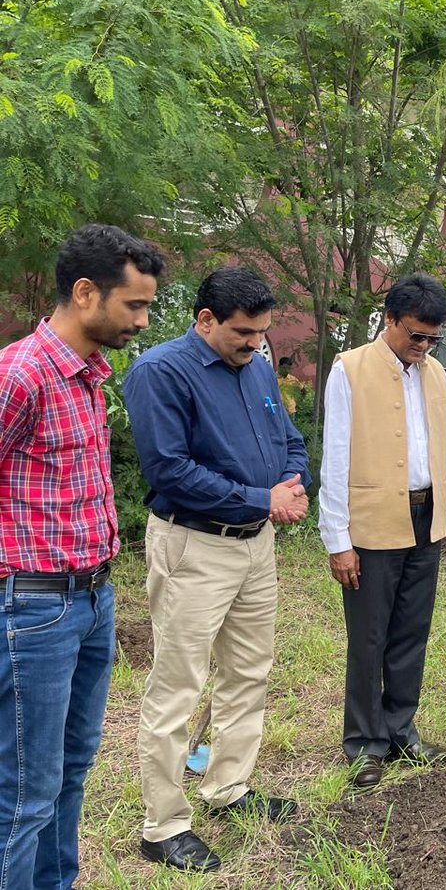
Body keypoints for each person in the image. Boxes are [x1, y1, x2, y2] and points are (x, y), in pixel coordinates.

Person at [123, 266, 310, 873]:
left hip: (255, 547)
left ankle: (228, 787)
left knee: (249, 672)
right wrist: (265, 500)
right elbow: (170, 472)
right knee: (178, 684)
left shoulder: (255, 366)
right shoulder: (160, 372)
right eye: (242, 334)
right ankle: (163, 825)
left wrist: (293, 481)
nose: (256, 345)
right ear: (205, 321)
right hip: (192, 547)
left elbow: (288, 438)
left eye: (261, 334)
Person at [0, 224, 162, 889]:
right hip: (35, 607)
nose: (144, 321)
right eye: (134, 305)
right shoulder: (21, 374)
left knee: (70, 772)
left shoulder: (89, 373)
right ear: (87, 292)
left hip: (94, 601)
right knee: (24, 794)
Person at [318, 273, 446, 790]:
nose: (423, 347)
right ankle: (364, 743)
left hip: (426, 518)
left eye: (432, 338)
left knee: (410, 632)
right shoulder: (350, 370)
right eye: (415, 336)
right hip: (373, 520)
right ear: (390, 320)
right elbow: (335, 458)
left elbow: (445, 453)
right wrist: (337, 539)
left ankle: (401, 729)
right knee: (370, 636)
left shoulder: (437, 376)